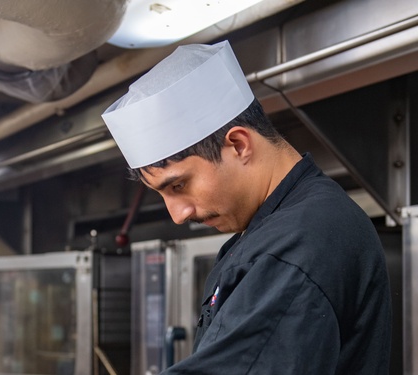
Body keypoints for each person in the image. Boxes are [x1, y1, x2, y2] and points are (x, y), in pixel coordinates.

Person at [102, 41, 391, 374]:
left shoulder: (302, 241)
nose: (178, 215)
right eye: (162, 194)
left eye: (178, 185)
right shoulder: (278, 229)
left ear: (238, 145)